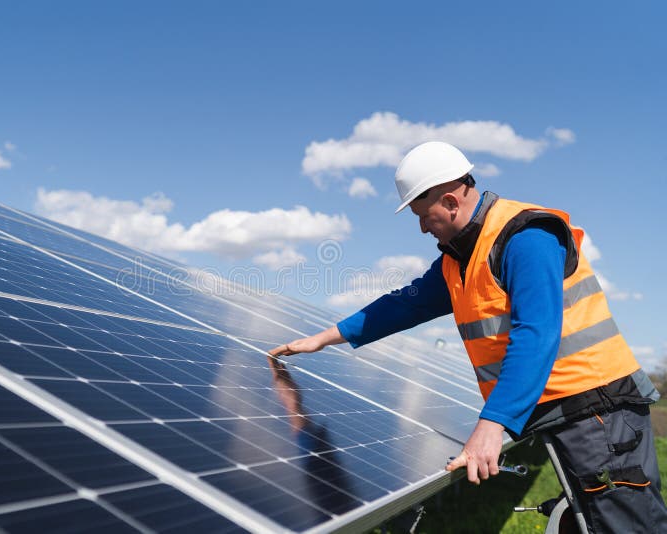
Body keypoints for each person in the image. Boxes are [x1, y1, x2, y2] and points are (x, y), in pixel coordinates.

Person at [270, 141, 667, 532]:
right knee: (591, 521)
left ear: (450, 202)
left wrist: (492, 425)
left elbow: (537, 333)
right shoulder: (458, 258)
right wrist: (326, 337)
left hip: (598, 410)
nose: (422, 227)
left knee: (625, 525)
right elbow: (404, 304)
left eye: (424, 215)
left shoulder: (524, 237)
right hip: (564, 411)